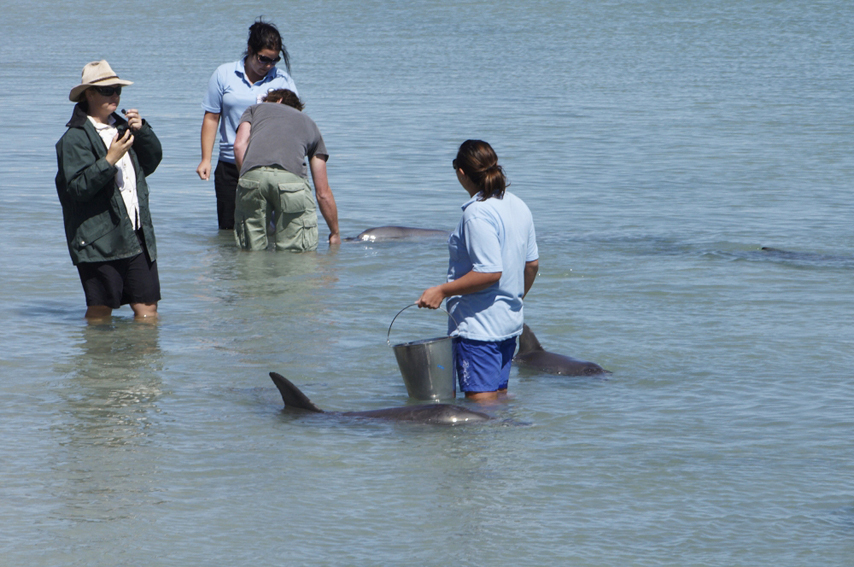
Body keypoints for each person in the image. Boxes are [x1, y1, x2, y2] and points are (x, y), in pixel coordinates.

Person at [417, 140, 539, 401]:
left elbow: (489, 272)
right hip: (509, 325)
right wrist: (513, 300)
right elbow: (532, 265)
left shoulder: (476, 213)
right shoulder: (518, 205)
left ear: (461, 172)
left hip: (479, 331)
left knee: (480, 413)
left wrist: (441, 290)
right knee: (499, 403)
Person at [55, 60, 163, 320]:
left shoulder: (124, 127)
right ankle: (98, 361)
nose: (114, 95)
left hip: (136, 233)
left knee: (147, 309)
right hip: (98, 239)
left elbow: (151, 162)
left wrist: (142, 130)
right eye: (106, 90)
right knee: (101, 311)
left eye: (117, 89)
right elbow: (77, 189)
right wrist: (108, 160)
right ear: (89, 94)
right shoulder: (74, 138)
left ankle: (142, 361)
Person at [197, 19, 298, 230]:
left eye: (274, 60)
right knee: (229, 231)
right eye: (263, 59)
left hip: (270, 167)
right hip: (229, 167)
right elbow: (211, 117)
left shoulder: (282, 80)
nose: (268, 66)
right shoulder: (224, 74)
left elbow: (294, 123)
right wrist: (205, 159)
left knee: (269, 231)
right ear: (250, 50)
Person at [232, 89, 340, 251]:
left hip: (252, 177)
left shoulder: (255, 109)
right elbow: (323, 192)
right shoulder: (309, 123)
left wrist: (247, 180)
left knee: (249, 251)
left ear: (278, 100)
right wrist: (334, 232)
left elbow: (239, 146)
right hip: (292, 181)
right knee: (296, 256)